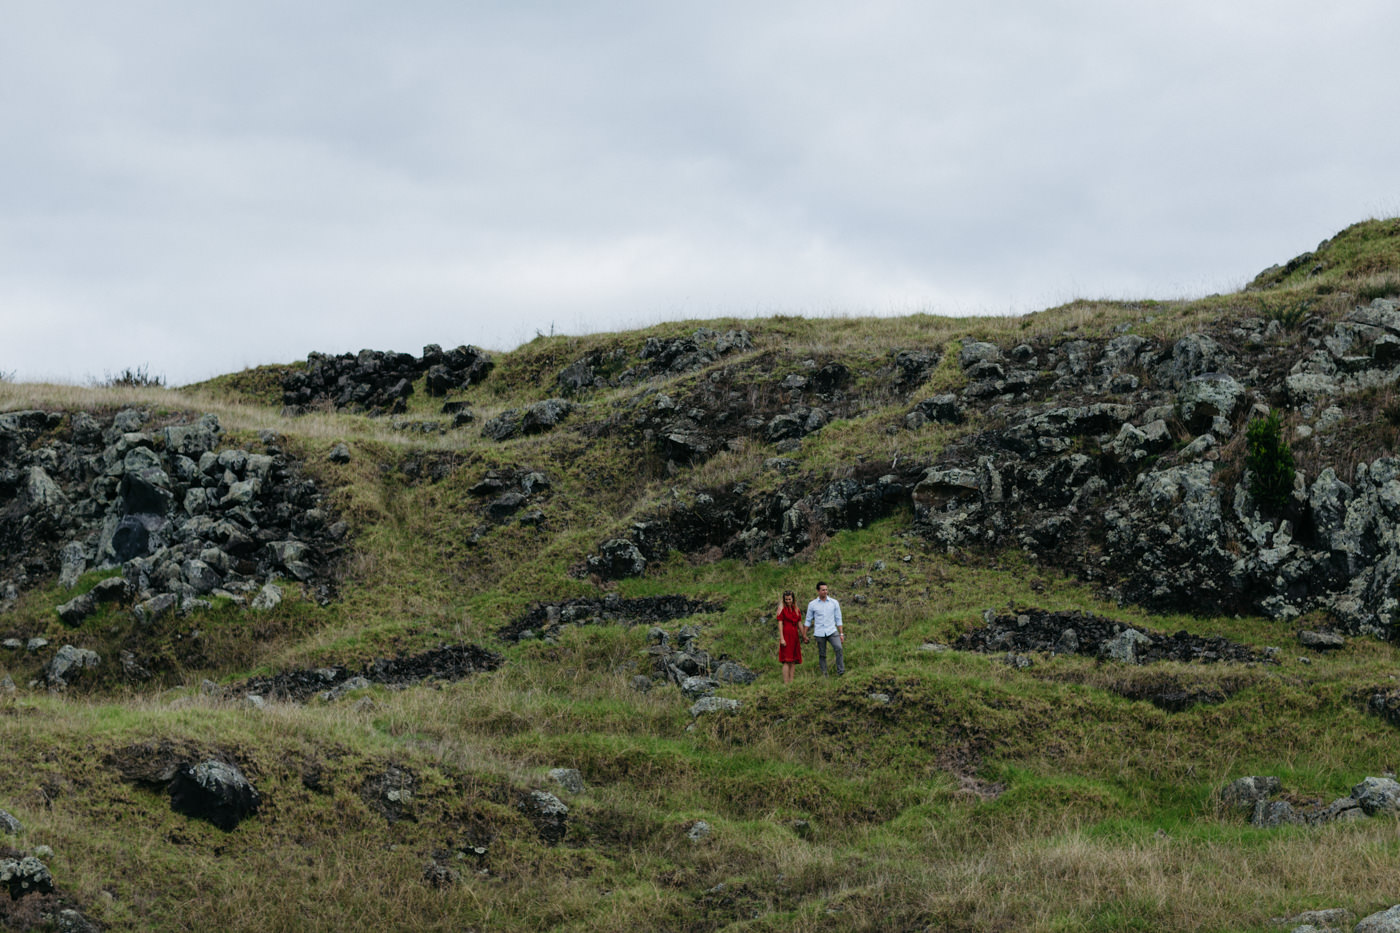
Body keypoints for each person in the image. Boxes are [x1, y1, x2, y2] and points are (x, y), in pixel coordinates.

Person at [804, 581, 845, 676]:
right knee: (822, 654)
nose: (825, 592)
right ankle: (824, 673)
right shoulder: (812, 604)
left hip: (832, 630)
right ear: (818, 591)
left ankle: (841, 671)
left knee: (838, 648)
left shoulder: (834, 603)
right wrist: (804, 634)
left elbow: (838, 618)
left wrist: (841, 633)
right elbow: (808, 620)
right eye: (823, 590)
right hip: (819, 632)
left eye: (826, 590)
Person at [776, 590, 806, 683]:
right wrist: (782, 638)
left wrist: (804, 635)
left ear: (793, 599)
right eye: (786, 599)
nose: (788, 601)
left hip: (794, 636)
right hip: (786, 634)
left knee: (793, 660)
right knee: (786, 660)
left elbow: (799, 623)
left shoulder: (796, 609)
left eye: (790, 599)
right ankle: (786, 682)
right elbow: (780, 623)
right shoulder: (782, 609)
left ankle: (791, 681)